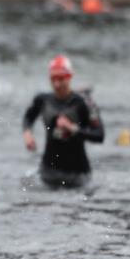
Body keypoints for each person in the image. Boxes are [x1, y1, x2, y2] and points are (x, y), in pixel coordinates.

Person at [22, 55, 104, 189]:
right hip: (48, 172)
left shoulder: (85, 103)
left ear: (70, 77)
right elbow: (28, 117)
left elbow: (99, 135)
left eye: (61, 78)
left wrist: (73, 128)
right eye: (53, 79)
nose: (57, 84)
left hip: (78, 175)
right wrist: (27, 133)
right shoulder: (43, 100)